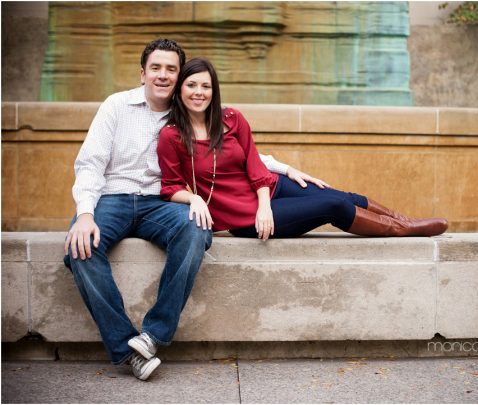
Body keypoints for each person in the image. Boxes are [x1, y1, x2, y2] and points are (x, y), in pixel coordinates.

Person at [63, 39, 325, 381]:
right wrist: (85, 214)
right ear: (142, 73)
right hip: (112, 198)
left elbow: (230, 147)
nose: (162, 75)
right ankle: (128, 349)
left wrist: (283, 168)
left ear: (179, 75)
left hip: (162, 202)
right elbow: (91, 163)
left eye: (171, 69)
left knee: (197, 230)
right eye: (155, 68)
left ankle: (154, 333)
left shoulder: (187, 108)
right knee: (80, 248)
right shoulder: (116, 106)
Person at [157, 58, 448, 241]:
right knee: (332, 206)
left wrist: (274, 189)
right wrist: (194, 199)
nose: (199, 92)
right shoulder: (172, 137)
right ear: (180, 90)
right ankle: (402, 231)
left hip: (268, 191)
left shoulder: (231, 118)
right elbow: (169, 186)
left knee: (339, 195)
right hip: (245, 217)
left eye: (206, 86)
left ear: (214, 90)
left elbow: (254, 165)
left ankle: (404, 219)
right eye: (192, 85)